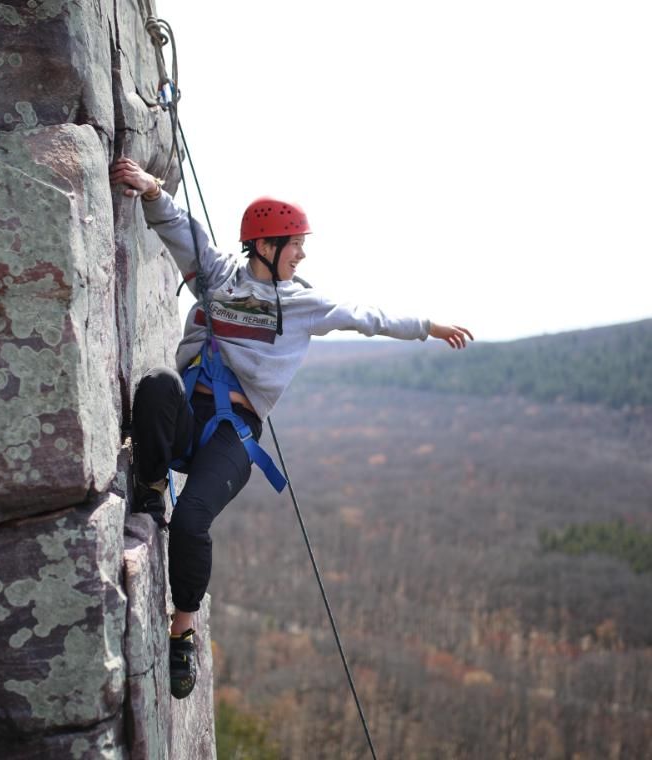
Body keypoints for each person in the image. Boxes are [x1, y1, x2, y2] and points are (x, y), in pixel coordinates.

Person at [109, 157, 473, 699]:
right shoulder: (217, 277)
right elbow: (180, 228)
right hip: (189, 412)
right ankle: (151, 486)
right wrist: (152, 189)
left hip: (234, 435)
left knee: (193, 520)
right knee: (159, 383)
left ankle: (181, 629)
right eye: (296, 243)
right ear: (265, 246)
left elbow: (364, 316)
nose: (302, 254)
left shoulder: (303, 305)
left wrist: (427, 327)